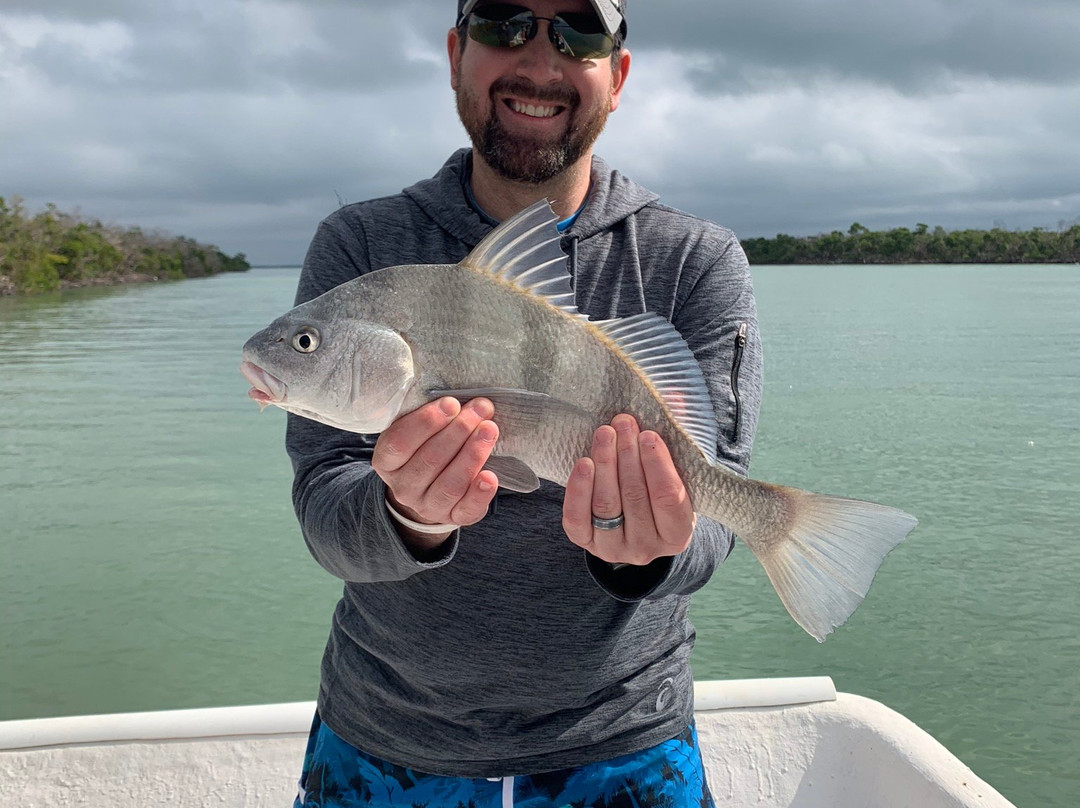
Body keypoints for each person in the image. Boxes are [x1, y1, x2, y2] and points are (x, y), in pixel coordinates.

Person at [287, 1, 763, 805]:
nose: (540, 60)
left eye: (578, 31)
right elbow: (325, 514)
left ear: (617, 73)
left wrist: (647, 548)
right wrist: (410, 516)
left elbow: (712, 520)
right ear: (454, 52)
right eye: (505, 21)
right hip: (385, 735)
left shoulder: (696, 260)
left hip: (626, 739)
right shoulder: (359, 248)